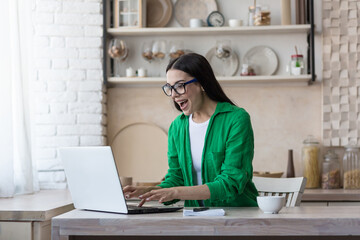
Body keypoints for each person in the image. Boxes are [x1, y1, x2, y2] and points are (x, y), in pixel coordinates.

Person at [123, 53, 258, 207]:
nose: (173, 95)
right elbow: (177, 177)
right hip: (195, 216)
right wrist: (149, 191)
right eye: (170, 88)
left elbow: (231, 182)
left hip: (237, 217)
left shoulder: (236, 119)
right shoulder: (177, 127)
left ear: (201, 83)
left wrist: (176, 192)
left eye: (180, 86)